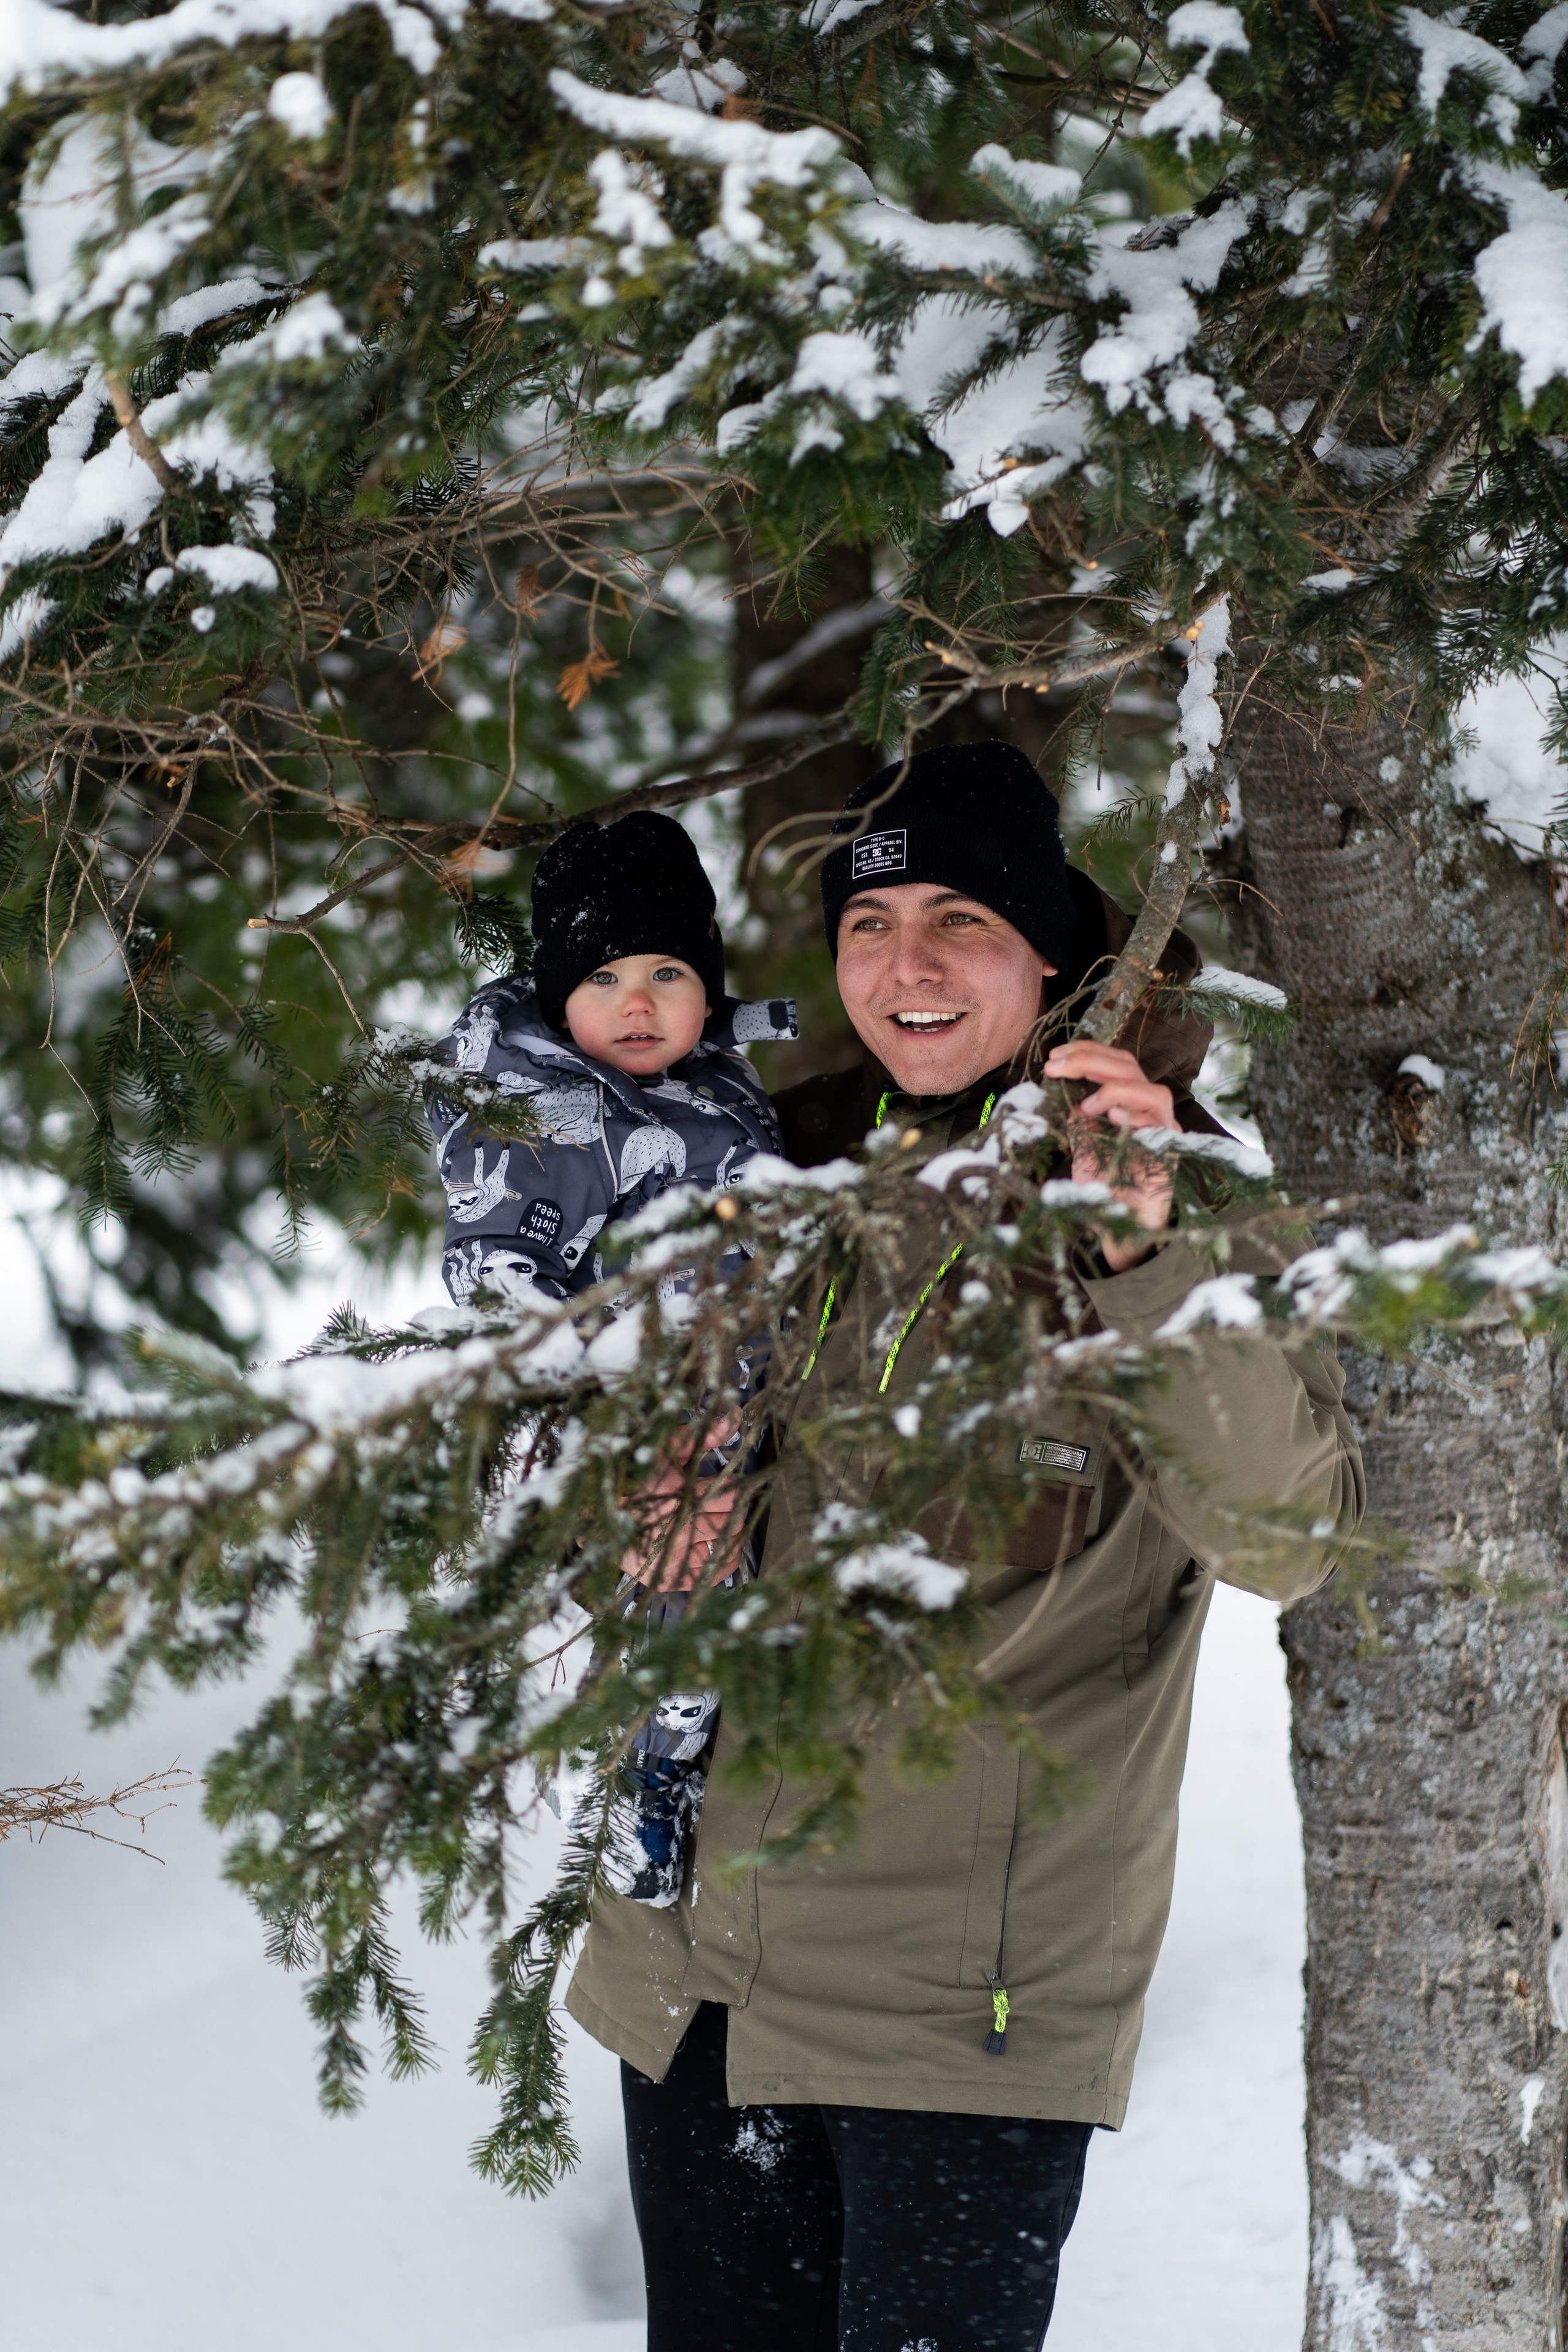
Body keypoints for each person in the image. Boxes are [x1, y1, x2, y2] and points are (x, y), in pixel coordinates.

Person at [565, 741, 1366, 2352]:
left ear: (1056, 961)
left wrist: (1139, 1252)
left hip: (962, 2020)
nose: (906, 965)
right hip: (698, 1982)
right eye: (871, 925)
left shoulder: (1174, 1198)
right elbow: (636, 1559)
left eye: (960, 924)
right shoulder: (772, 1170)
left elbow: (1290, 1537)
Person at [428, 809, 797, 1902]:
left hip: (732, 1396)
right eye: (602, 978)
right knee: (680, 1585)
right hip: (643, 1421)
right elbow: (501, 1278)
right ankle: (654, 1791)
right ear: (554, 996)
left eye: (669, 970)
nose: (638, 1003)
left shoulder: (704, 1077)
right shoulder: (552, 1111)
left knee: (734, 1580)